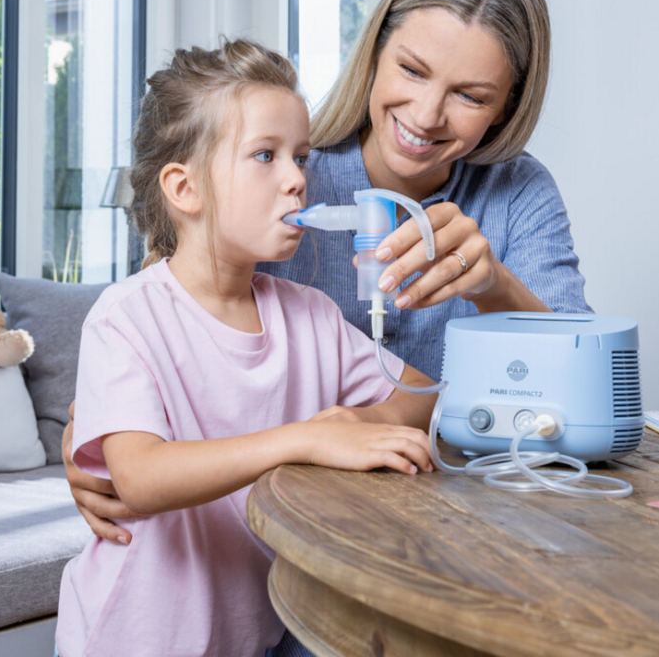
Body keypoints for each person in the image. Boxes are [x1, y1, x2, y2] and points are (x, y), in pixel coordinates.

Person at [64, 0, 591, 655]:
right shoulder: (167, 290)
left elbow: (470, 395)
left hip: (364, 576)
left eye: (470, 95)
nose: (429, 114)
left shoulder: (314, 308)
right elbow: (166, 351)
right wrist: (89, 434)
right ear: (374, 52)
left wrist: (491, 290)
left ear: (506, 108)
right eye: (411, 70)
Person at [55, 41, 436, 657]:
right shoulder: (127, 317)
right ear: (184, 188)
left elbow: (420, 398)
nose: (297, 179)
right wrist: (307, 438)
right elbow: (141, 477)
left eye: (301, 157)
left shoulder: (308, 315)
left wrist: (354, 422)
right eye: (265, 156)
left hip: (253, 635)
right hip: (135, 638)